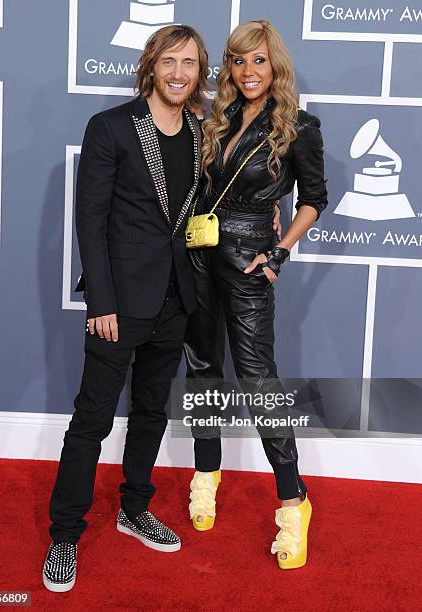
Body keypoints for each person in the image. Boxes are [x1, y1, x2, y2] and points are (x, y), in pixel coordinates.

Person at [42, 25, 208, 592]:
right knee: (91, 421)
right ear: (151, 65)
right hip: (119, 303)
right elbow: (90, 220)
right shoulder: (110, 127)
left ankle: (134, 507)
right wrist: (102, 302)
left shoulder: (199, 132)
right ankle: (64, 535)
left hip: (175, 299)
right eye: (169, 61)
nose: (179, 73)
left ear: (199, 70)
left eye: (189, 63)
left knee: (152, 413)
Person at [184, 20, 327, 569]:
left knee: (256, 376)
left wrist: (282, 250)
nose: (248, 73)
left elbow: (314, 198)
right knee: (201, 369)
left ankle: (294, 502)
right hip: (199, 255)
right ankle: (206, 473)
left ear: (276, 67)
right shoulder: (212, 119)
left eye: (259, 62)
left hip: (248, 260)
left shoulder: (299, 128)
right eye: (239, 62)